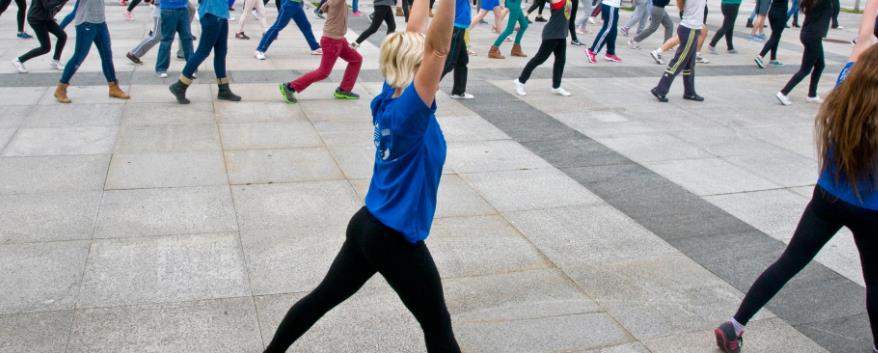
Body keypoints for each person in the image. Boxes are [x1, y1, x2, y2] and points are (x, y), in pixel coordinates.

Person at [262, 0, 462, 350]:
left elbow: (415, 30)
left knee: (321, 299)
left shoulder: (390, 95)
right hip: (394, 239)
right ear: (415, 67)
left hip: (368, 225)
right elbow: (437, 46)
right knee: (437, 323)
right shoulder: (411, 115)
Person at [715, 44, 878, 353]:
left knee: (789, 261)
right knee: (876, 282)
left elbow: (864, 39)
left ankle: (734, 326)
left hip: (828, 195)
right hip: (871, 208)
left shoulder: (850, 74)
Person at [277, 0, 362, 102]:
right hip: (332, 42)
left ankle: (344, 90)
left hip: (339, 40)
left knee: (356, 59)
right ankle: (290, 87)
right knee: (323, 72)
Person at [53, 0, 129, 103]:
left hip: (100, 21)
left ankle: (113, 86)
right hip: (86, 22)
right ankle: (61, 88)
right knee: (79, 56)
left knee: (107, 54)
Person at [168, 0, 242, 104]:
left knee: (221, 52)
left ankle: (223, 89)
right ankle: (180, 85)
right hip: (211, 12)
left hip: (221, 12)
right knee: (203, 52)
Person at [775, 0, 832, 105]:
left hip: (809, 34)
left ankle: (812, 94)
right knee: (805, 69)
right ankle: (783, 92)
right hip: (813, 36)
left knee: (820, 66)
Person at [649, 0, 705, 102]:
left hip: (692, 28)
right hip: (690, 29)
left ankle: (689, 92)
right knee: (679, 62)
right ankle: (660, 89)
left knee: (689, 63)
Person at [513, 0, 572, 96]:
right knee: (539, 59)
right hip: (551, 35)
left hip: (561, 34)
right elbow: (538, 2)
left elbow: (570, 18)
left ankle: (556, 86)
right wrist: (526, 13)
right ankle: (520, 81)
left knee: (561, 60)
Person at [125, 0, 196, 66]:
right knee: (157, 36)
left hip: (176, 7)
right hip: (162, 8)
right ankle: (134, 53)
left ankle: (182, 51)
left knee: (191, 9)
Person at [11, 0, 68, 73]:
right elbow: (47, 5)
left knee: (62, 36)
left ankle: (55, 61)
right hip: (36, 19)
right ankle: (18, 60)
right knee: (45, 48)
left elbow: (56, 7)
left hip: (46, 18)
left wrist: (52, 14)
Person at [255, 0, 322, 59]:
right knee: (277, 26)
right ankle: (260, 50)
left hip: (296, 4)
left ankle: (315, 47)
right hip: (290, 3)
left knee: (306, 26)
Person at [441, 0, 474, 99]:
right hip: (456, 26)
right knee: (449, 62)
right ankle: (425, 87)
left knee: (462, 60)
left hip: (460, 26)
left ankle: (458, 92)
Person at [155, 0, 194, 77]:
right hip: (168, 8)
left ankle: (192, 67)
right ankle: (161, 68)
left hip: (183, 8)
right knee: (167, 40)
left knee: (187, 39)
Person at [754, 0, 788, 68]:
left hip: (772, 12)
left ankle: (773, 59)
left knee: (776, 36)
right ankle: (760, 56)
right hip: (780, 14)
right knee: (775, 36)